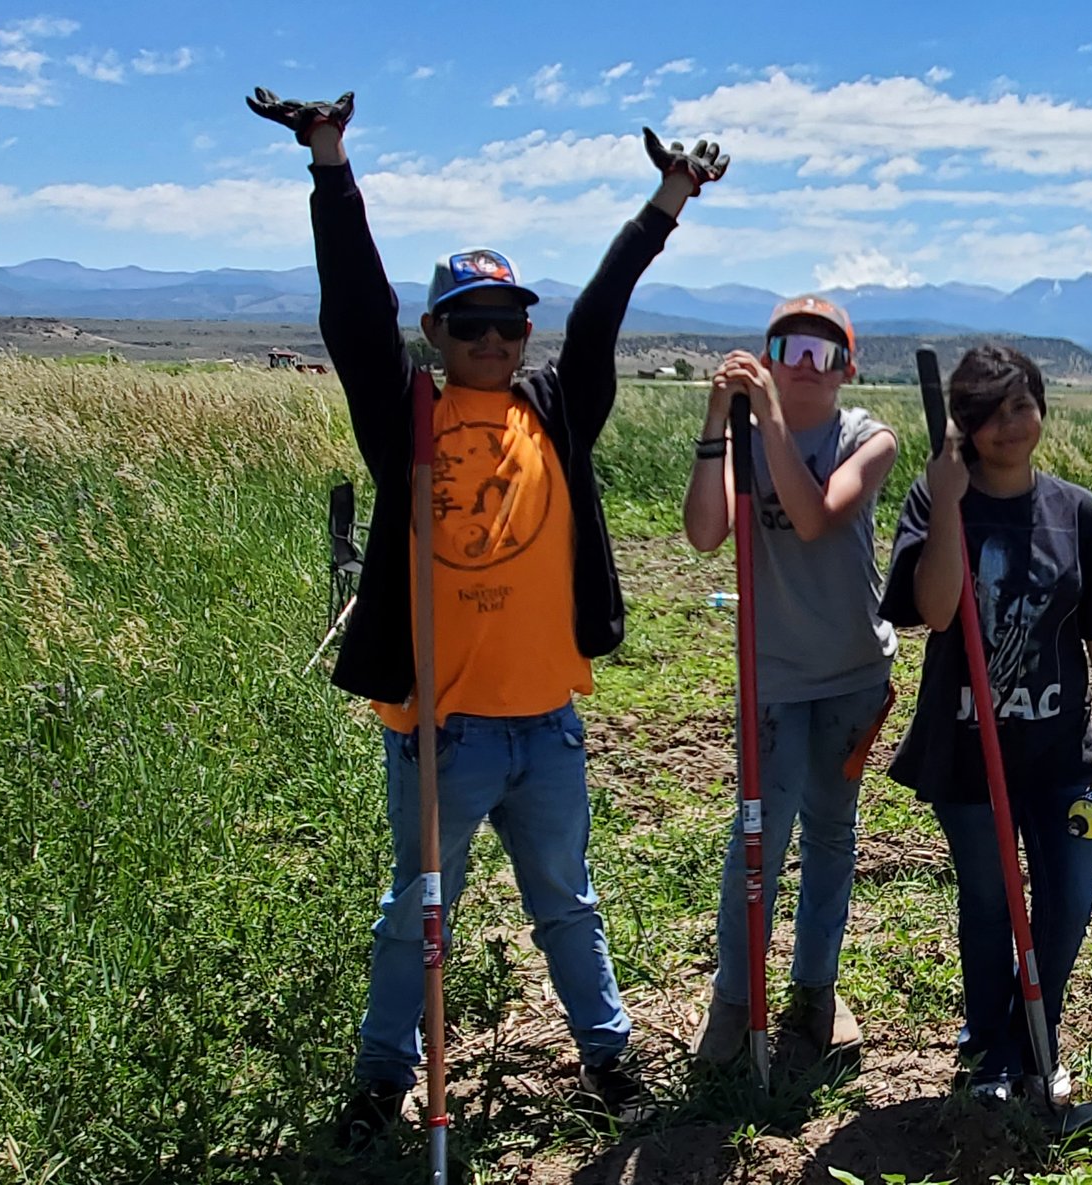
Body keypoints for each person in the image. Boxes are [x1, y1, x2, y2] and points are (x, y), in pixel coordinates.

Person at [244, 87, 728, 1140]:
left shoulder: (556, 411)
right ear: (437, 331)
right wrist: (331, 166)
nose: (494, 340)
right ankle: (382, 1080)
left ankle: (609, 1062)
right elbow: (351, 317)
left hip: (546, 721)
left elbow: (599, 314)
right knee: (416, 913)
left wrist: (664, 204)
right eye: (472, 324)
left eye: (510, 322)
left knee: (569, 905)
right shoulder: (406, 413)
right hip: (440, 728)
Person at [879, 343, 1092, 1104]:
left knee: (1068, 900)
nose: (1009, 423)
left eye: (1021, 404)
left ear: (1041, 408)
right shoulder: (939, 503)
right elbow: (932, 610)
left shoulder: (1078, 513)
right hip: (967, 750)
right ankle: (993, 1050)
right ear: (963, 422)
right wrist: (946, 504)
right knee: (991, 903)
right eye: (989, 412)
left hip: (1062, 752)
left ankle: (1039, 1035)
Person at [681, 295, 900, 1063]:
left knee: (831, 832)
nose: (806, 367)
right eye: (790, 348)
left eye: (824, 352)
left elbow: (814, 517)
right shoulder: (742, 435)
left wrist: (768, 420)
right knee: (758, 840)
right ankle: (735, 1000)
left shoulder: (867, 438)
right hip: (771, 675)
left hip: (849, 673)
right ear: (767, 355)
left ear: (848, 367)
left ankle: (816, 989)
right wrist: (719, 425)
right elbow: (707, 532)